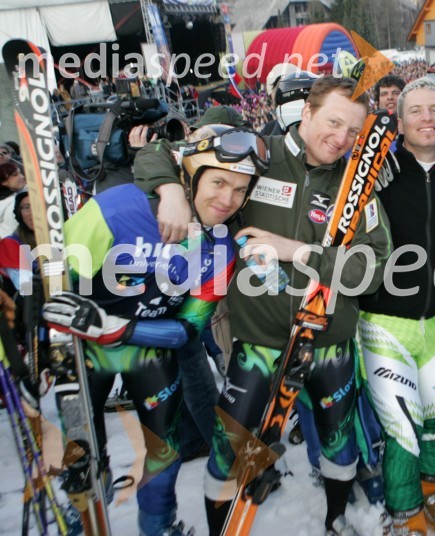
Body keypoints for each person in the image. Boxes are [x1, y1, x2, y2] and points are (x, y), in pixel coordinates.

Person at [133, 76, 392, 536]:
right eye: (333, 122)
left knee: (338, 444)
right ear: (307, 113)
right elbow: (161, 152)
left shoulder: (358, 183)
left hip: (329, 344)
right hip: (259, 344)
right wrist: (170, 190)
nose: (342, 138)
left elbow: (375, 268)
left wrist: (296, 250)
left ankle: (335, 520)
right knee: (232, 447)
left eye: (354, 131)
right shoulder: (257, 153)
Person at [40, 123, 262, 535]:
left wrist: (117, 328)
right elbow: (52, 276)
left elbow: (186, 330)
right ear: (188, 175)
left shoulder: (221, 247)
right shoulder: (119, 207)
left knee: (167, 449)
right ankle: (80, 516)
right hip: (82, 352)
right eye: (217, 182)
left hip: (147, 350)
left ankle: (158, 525)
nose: (227, 199)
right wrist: (39, 340)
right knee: (83, 457)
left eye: (239, 189)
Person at [358, 77, 435, 535]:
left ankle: (430, 488)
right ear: (398, 122)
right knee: (402, 425)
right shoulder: (377, 175)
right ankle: (403, 512)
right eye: (416, 111)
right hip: (385, 320)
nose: (427, 118)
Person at [0, 162, 27, 238]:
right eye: (15, 175)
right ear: (3, 182)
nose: (22, 176)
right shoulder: (13, 204)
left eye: (20, 173)